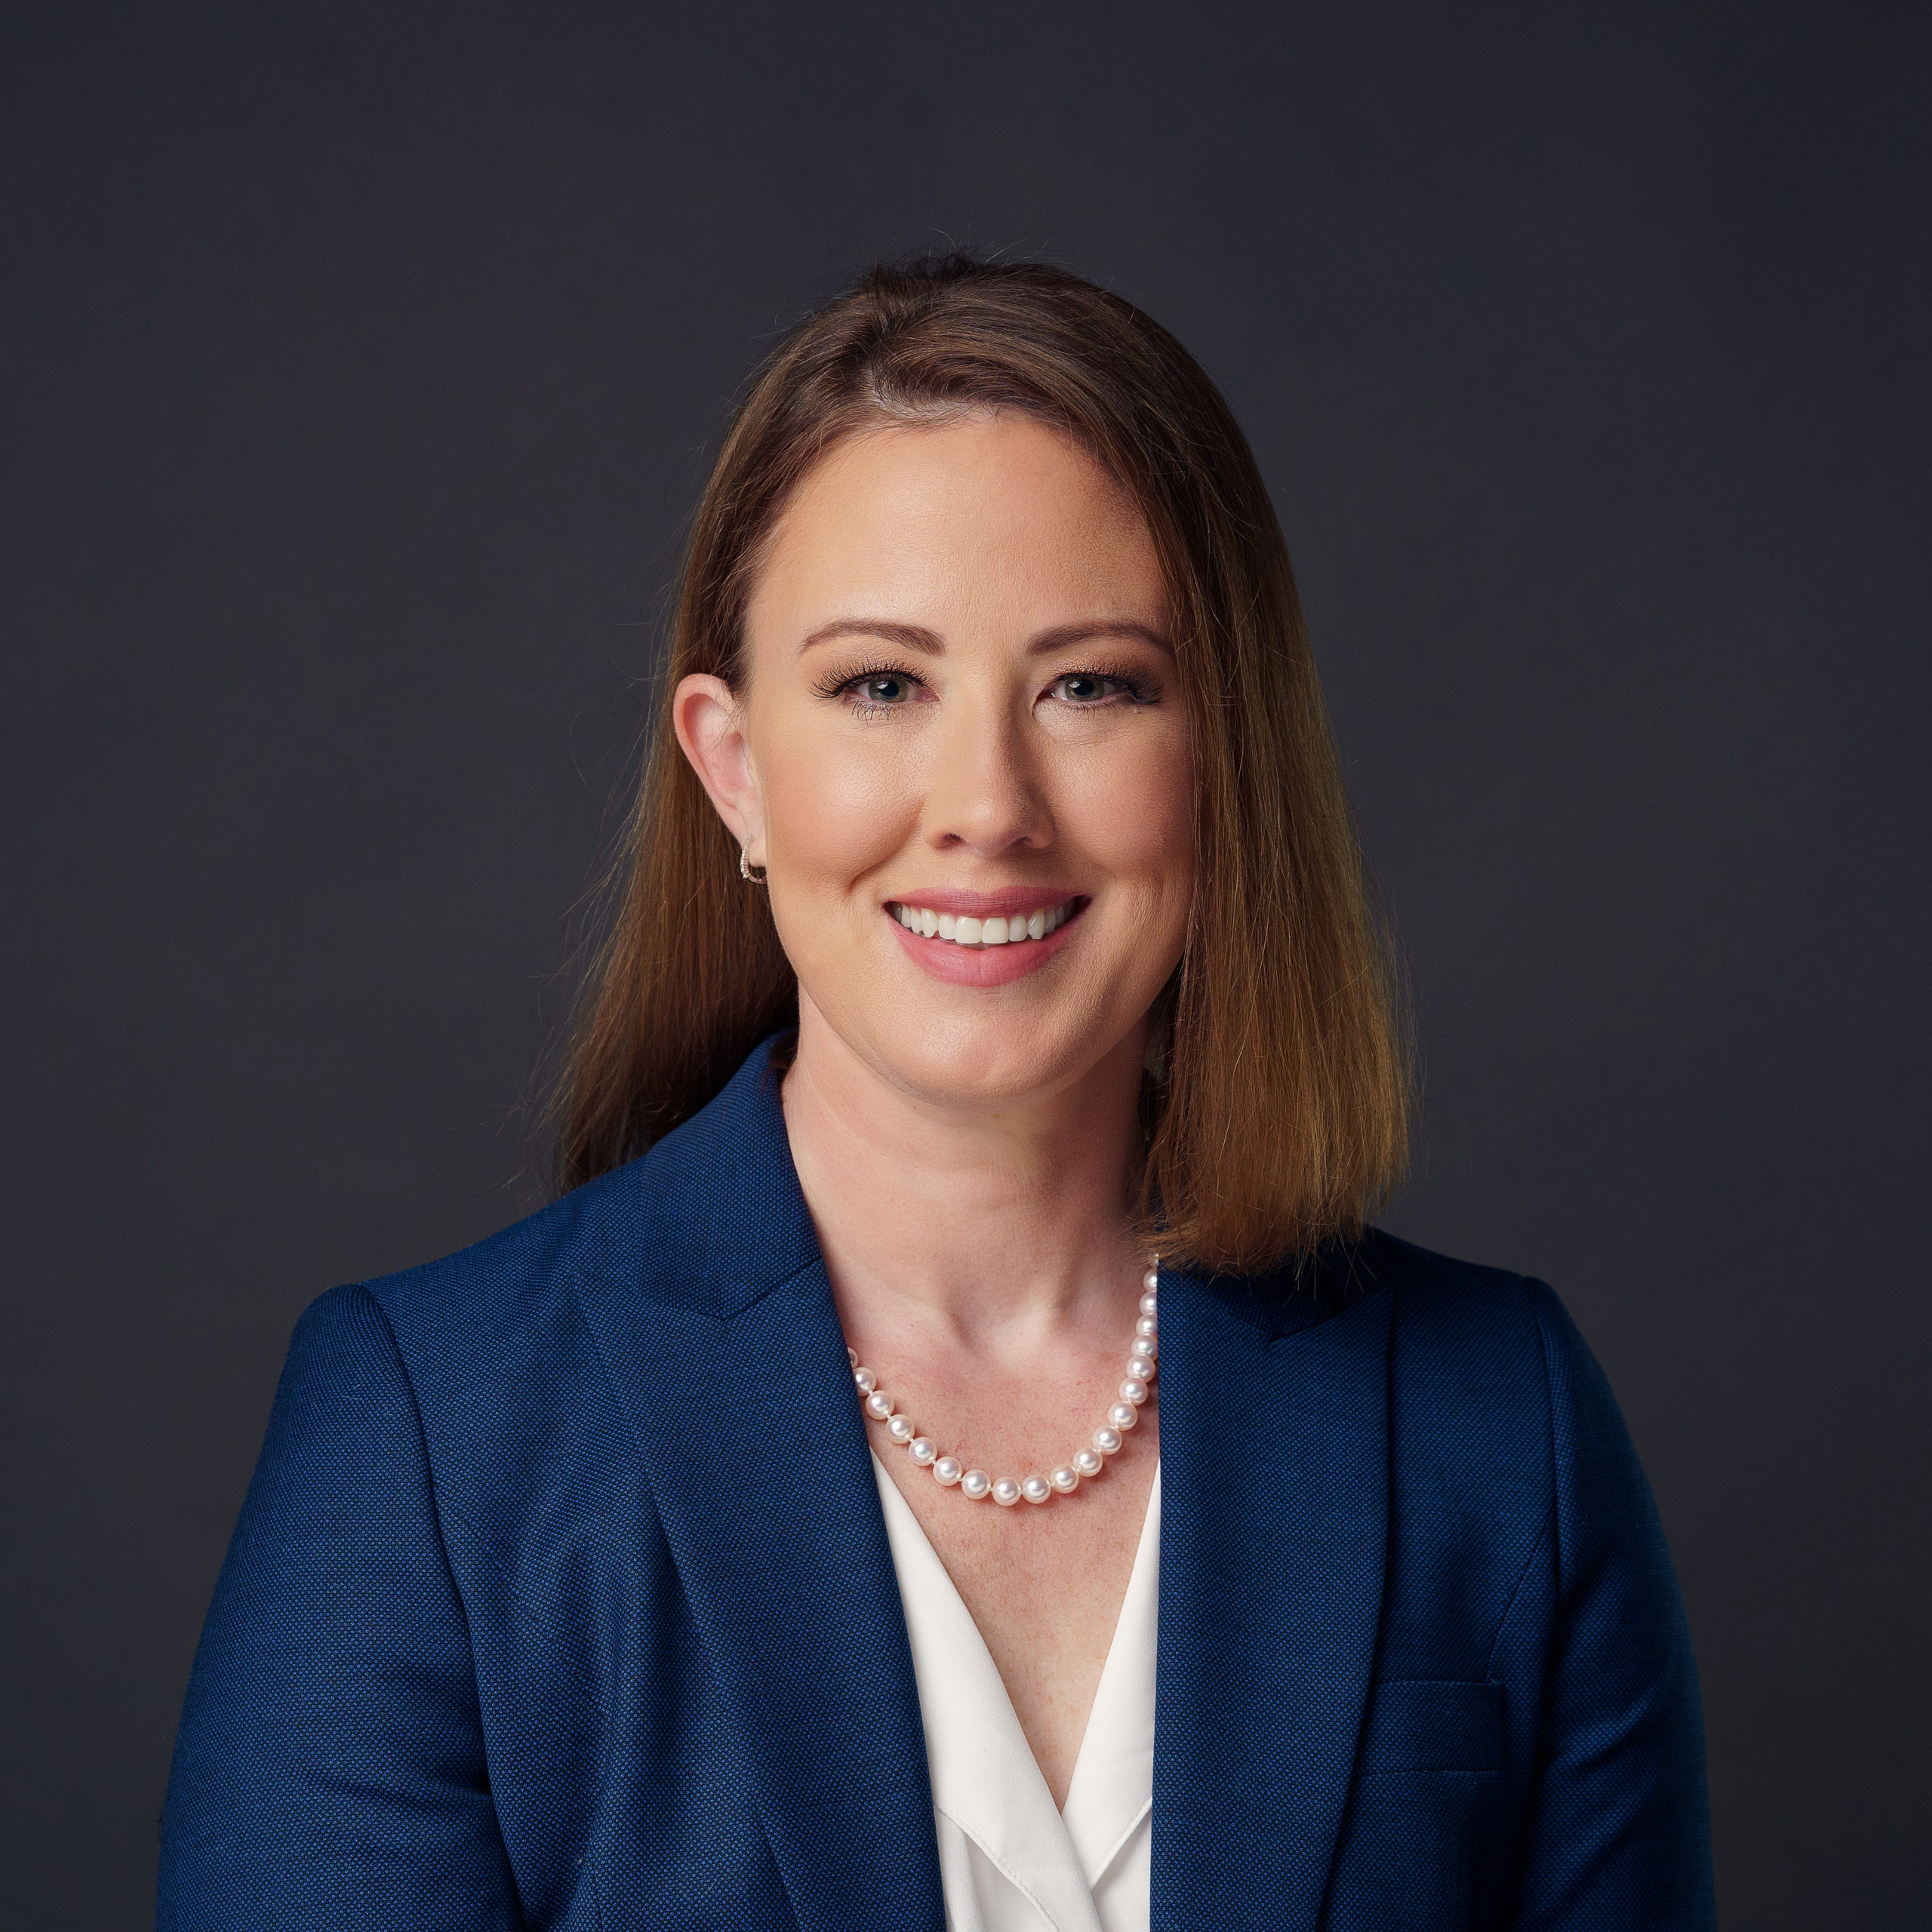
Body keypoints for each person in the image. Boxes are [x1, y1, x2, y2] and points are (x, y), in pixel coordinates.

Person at [158, 256, 1715, 1930]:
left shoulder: (1501, 1426)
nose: (987, 803)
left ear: (1223, 759)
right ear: (733, 767)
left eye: (1092, 685)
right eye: (879, 685)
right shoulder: (429, 1440)